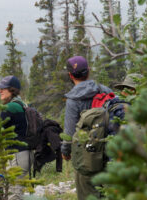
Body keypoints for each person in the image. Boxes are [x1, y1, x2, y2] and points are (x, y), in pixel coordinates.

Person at [61, 56, 112, 200]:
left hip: (86, 156)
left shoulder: (73, 100)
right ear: (88, 72)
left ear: (70, 75)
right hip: (110, 150)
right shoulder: (105, 90)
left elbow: (69, 131)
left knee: (88, 194)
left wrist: (65, 152)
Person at [0, 75, 32, 200]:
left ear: (12, 90)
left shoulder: (9, 107)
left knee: (14, 194)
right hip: (26, 153)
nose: (0, 91)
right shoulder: (21, 104)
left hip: (17, 155)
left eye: (3, 88)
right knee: (14, 191)